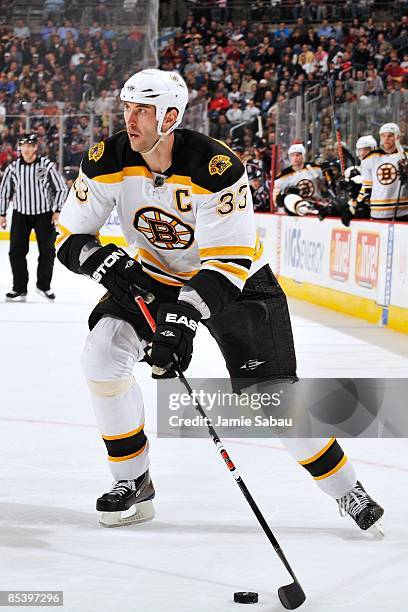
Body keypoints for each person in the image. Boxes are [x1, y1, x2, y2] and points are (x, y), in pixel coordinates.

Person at [56, 69, 383, 531]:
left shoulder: (217, 167)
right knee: (102, 356)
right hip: (154, 274)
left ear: (170, 116)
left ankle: (347, 489)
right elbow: (70, 233)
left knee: (273, 398)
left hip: (237, 281)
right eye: (127, 109)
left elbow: (226, 265)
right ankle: (132, 481)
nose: (130, 119)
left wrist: (180, 321)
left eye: (142, 110)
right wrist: (99, 261)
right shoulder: (107, 158)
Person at [0, 134, 68, 301]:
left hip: (44, 214)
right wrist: (2, 214)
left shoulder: (46, 166)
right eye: (24, 145)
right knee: (16, 252)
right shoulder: (13, 168)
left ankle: (43, 286)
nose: (27, 149)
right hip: (20, 214)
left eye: (31, 145)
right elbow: (4, 193)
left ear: (36, 147)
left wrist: (57, 210)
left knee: (47, 252)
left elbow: (60, 188)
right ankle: (19, 288)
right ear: (20, 147)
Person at [355, 123, 408, 221]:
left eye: (390, 135)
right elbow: (366, 187)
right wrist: (353, 207)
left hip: (403, 212)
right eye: (383, 136)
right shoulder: (370, 158)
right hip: (377, 213)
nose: (386, 138)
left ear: (397, 137)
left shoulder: (406, 157)